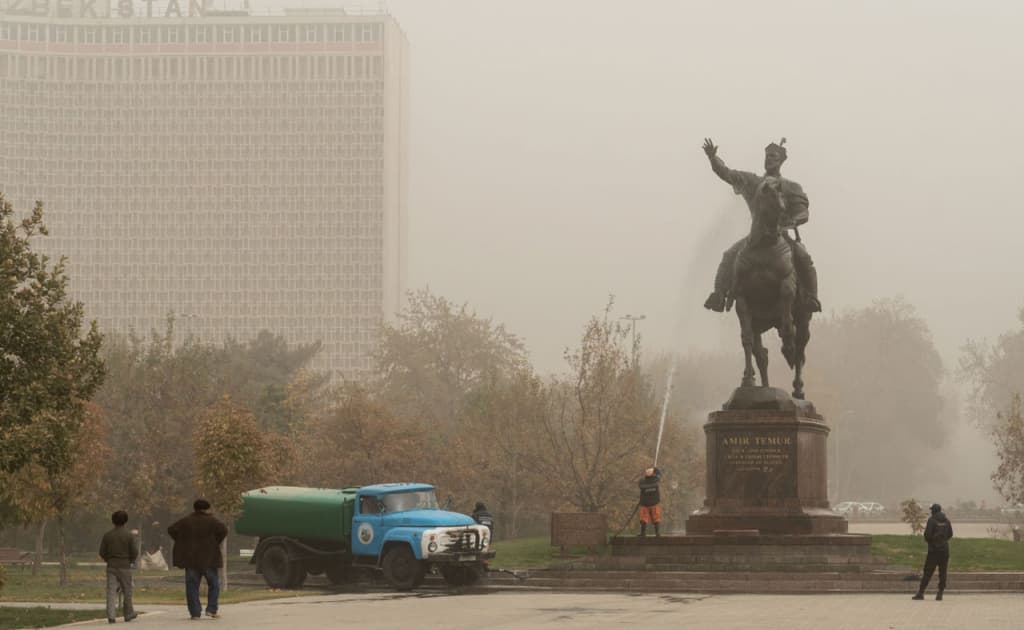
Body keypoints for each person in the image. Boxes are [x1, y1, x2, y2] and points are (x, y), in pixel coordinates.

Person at [701, 138, 820, 314]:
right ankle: (719, 296)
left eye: (773, 156)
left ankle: (811, 297)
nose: (768, 159)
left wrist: (792, 222)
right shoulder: (752, 181)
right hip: (755, 238)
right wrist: (713, 158)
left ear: (780, 161)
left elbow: (803, 212)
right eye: (767, 156)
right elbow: (727, 173)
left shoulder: (791, 187)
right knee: (728, 256)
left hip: (781, 236)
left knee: (803, 256)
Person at [168, 499, 228, 620]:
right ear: (207, 508)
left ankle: (195, 613)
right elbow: (223, 530)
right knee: (214, 584)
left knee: (192, 586)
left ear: (194, 508)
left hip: (191, 559)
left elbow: (171, 529)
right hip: (209, 558)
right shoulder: (213, 521)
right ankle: (211, 609)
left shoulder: (186, 521)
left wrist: (182, 540)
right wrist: (215, 542)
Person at [99, 510, 139, 624]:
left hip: (111, 566)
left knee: (111, 592)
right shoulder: (129, 535)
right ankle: (128, 614)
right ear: (125, 521)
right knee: (127, 590)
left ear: (113, 521)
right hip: (124, 566)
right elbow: (134, 552)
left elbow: (102, 552)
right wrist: (130, 560)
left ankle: (111, 616)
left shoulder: (107, 535)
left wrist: (108, 559)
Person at [913, 503, 954, 601]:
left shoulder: (931, 520)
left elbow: (927, 535)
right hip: (944, 550)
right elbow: (950, 534)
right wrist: (943, 541)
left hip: (933, 551)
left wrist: (932, 542)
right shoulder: (947, 521)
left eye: (931, 510)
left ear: (933, 511)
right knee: (943, 572)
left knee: (927, 571)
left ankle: (921, 592)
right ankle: (940, 593)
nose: (930, 511)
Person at [638, 466, 662, 537]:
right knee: (656, 518)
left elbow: (640, 485)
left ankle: (643, 533)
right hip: (654, 503)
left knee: (643, 518)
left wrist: (654, 471)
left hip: (644, 503)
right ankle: (657, 533)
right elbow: (659, 475)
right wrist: (655, 469)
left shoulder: (642, 481)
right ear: (653, 473)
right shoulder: (656, 480)